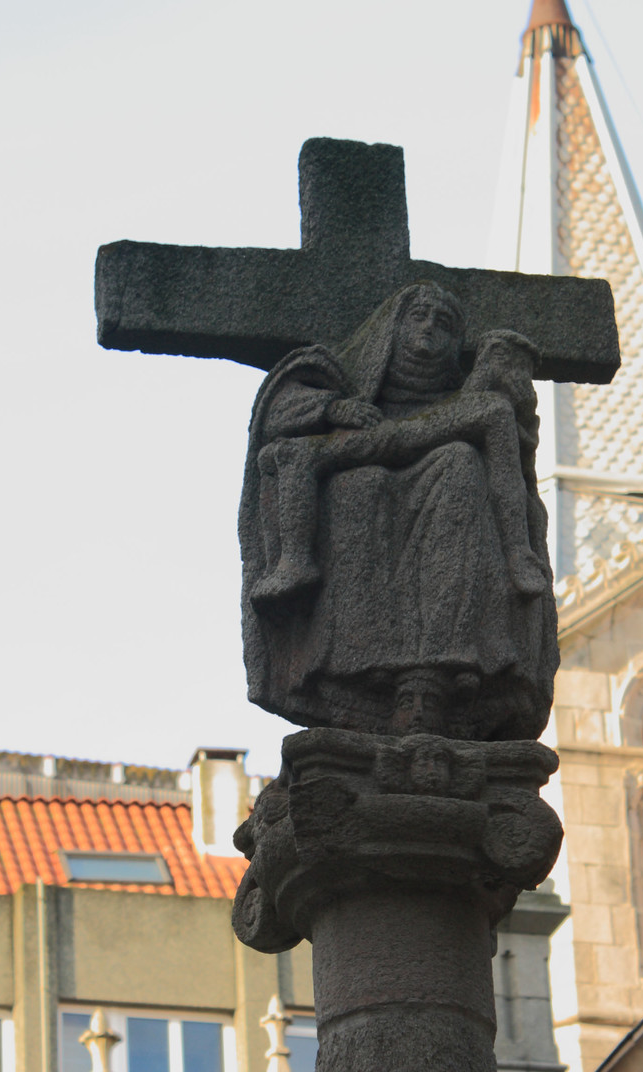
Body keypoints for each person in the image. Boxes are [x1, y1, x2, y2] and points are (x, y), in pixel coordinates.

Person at [238, 282, 559, 739]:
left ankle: (437, 672)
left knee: (461, 464)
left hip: (433, 467)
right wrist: (334, 408)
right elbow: (280, 413)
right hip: (364, 463)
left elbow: (508, 472)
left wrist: (517, 550)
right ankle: (341, 643)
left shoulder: (479, 407)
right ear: (392, 326)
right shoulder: (349, 381)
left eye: (443, 323)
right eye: (419, 316)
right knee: (358, 485)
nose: (429, 328)